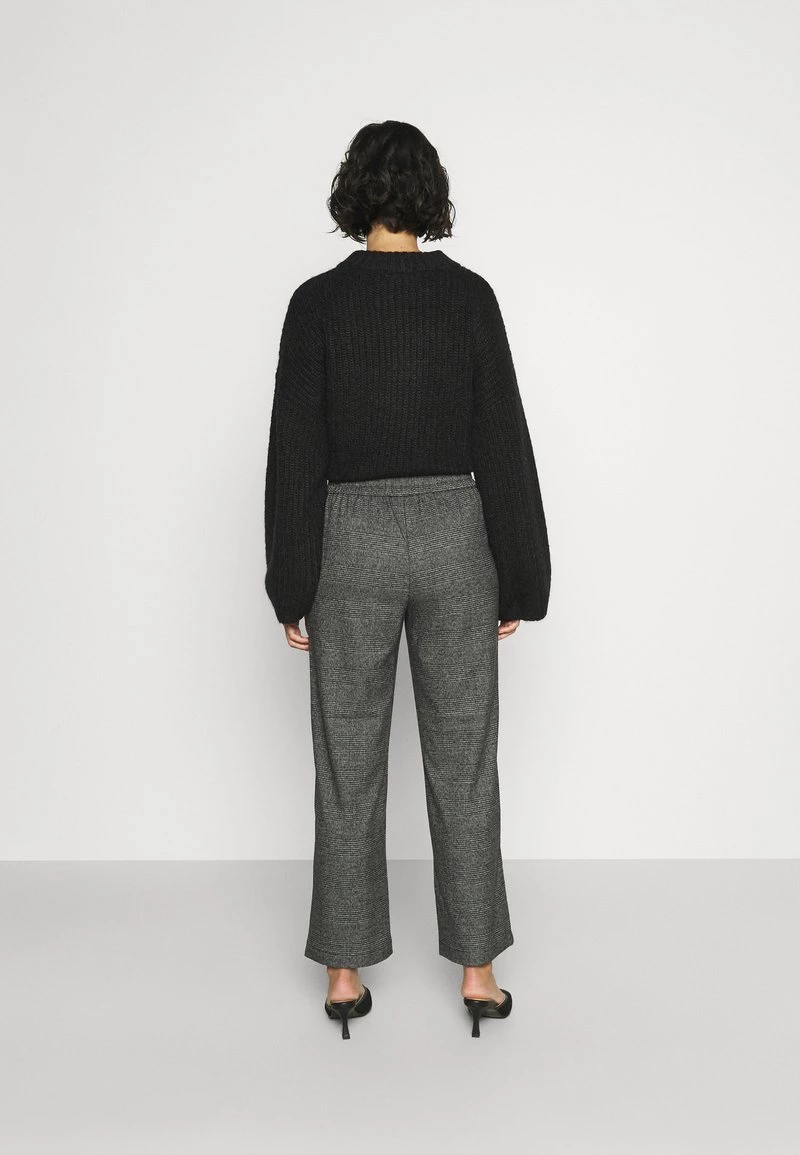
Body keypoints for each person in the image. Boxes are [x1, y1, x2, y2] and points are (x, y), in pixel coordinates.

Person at [263, 120, 551, 1039]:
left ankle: (345, 972)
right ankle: (479, 972)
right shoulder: (469, 298)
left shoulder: (317, 304)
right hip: (457, 538)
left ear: (354, 194)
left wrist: (291, 580)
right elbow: (502, 438)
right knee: (465, 761)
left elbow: (295, 450)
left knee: (346, 763)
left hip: (349, 543)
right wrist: (521, 576)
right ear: (430, 195)